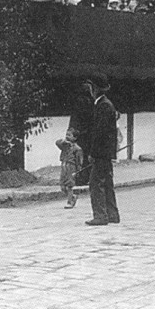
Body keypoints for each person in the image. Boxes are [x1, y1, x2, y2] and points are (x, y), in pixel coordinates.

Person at [82, 75, 119, 226]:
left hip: (101, 152)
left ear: (95, 89)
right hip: (106, 152)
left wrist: (92, 152)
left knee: (95, 183)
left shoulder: (103, 105)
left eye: (91, 87)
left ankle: (100, 216)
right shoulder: (106, 104)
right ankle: (112, 214)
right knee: (107, 183)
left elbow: (100, 133)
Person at [56, 125, 84, 209]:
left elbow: (79, 160)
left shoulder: (77, 148)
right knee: (62, 185)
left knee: (69, 185)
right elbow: (57, 143)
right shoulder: (64, 146)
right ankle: (72, 197)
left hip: (71, 166)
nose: (67, 137)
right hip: (64, 165)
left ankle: (69, 201)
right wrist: (63, 141)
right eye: (66, 135)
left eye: (69, 135)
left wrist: (78, 170)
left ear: (74, 138)